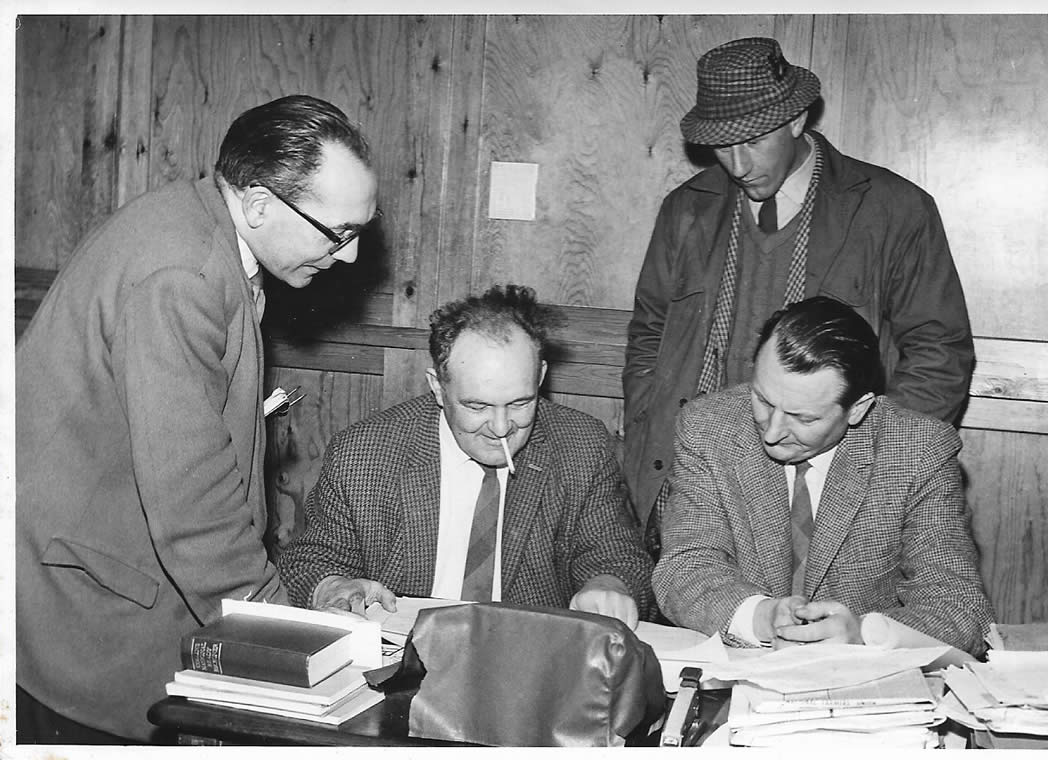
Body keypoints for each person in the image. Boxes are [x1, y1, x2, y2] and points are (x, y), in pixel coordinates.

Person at [16, 94, 379, 743]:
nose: (350, 257)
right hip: (85, 622)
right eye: (338, 233)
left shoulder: (200, 229)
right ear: (262, 202)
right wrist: (284, 636)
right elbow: (193, 501)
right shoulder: (181, 272)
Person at [623, 36, 974, 528]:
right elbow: (649, 336)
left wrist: (879, 461)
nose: (738, 165)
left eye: (753, 140)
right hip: (698, 476)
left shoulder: (894, 209)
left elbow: (940, 353)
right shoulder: (684, 209)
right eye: (723, 144)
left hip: (833, 475)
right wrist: (650, 427)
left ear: (796, 119)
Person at [278, 284, 653, 629]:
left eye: (521, 402)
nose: (502, 427)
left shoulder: (580, 446)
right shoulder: (365, 452)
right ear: (437, 387)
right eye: (477, 406)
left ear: (540, 377)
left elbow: (617, 555)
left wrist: (609, 585)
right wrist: (332, 587)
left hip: (530, 664)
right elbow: (311, 558)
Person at [653, 297, 993, 656]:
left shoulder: (918, 451)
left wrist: (865, 634)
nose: (772, 432)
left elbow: (961, 608)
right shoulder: (709, 427)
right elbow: (684, 568)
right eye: (764, 401)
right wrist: (761, 616)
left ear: (857, 409)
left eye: (804, 418)